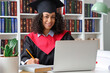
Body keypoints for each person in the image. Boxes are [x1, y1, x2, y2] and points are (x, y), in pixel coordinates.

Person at [21, 0, 74, 65]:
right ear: (40, 18)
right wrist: (28, 61)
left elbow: (74, 54)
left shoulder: (65, 36)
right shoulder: (30, 39)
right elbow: (24, 58)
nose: (50, 21)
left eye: (53, 17)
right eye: (46, 16)